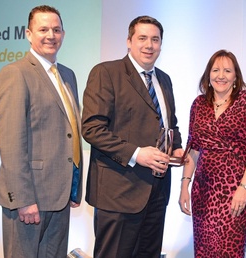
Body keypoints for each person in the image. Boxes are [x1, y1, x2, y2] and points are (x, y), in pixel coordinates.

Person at [82, 15, 184, 257]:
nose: (149, 45)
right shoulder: (106, 72)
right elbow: (92, 128)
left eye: (155, 39)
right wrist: (137, 154)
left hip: (157, 193)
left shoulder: (165, 80)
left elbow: (170, 124)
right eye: (142, 38)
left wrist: (177, 148)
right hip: (118, 193)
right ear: (129, 41)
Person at [0, 5, 82, 258]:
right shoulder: (15, 73)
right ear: (28, 34)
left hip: (60, 195)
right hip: (29, 198)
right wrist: (23, 199)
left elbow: (69, 133)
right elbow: (11, 143)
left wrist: (74, 186)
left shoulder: (68, 76)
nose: (51, 35)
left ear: (63, 34)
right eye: (43, 29)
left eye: (56, 29)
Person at [178, 50, 246, 257]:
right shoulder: (198, 104)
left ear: (236, 76)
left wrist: (244, 187)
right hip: (203, 193)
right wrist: (184, 186)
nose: (221, 75)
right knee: (204, 251)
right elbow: (193, 148)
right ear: (208, 75)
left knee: (229, 252)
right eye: (216, 70)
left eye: (227, 70)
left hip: (236, 190)